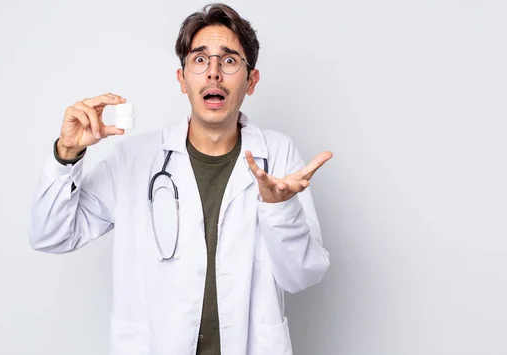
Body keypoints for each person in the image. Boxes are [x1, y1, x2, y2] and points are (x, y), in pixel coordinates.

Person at [29, 3, 333, 354]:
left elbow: (303, 275)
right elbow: (49, 235)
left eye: (230, 60)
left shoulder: (278, 155)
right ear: (182, 79)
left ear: (251, 81)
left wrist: (280, 209)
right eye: (200, 60)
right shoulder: (134, 160)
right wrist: (66, 154)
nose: (214, 73)